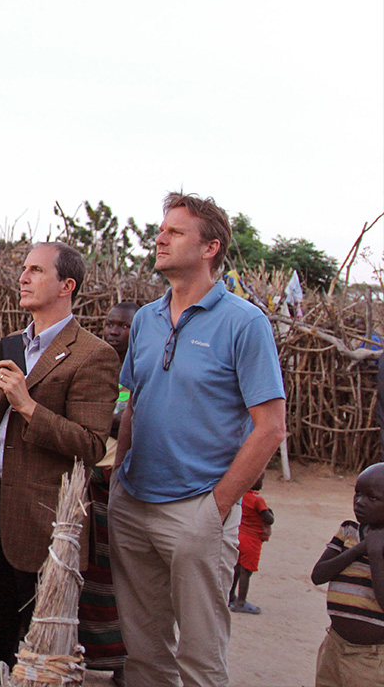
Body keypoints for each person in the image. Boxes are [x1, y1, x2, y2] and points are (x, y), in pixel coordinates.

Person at [110, 192, 287, 687]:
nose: (160, 237)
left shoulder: (244, 322)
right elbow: (133, 405)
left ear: (209, 248)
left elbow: (270, 426)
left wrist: (216, 509)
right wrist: (120, 481)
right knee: (144, 656)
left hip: (196, 511)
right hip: (134, 502)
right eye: (161, 228)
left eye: (175, 231)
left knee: (201, 660)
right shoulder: (145, 319)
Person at [0, 242, 120, 687]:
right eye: (24, 269)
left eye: (36, 270)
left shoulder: (92, 354)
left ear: (66, 286)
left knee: (36, 654)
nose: (24, 277)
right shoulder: (15, 343)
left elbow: (92, 444)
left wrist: (28, 406)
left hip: (47, 525)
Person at [80, 300, 139, 686]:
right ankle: (81, 653)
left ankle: (120, 663)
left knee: (118, 578)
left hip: (122, 484)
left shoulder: (143, 373)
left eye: (124, 326)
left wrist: (117, 421)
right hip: (89, 480)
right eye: (110, 324)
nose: (114, 331)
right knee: (84, 575)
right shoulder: (94, 367)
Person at [310, 461, 384, 685]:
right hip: (333, 645)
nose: (360, 502)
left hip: (371, 658)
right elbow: (318, 575)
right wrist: (359, 549)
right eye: (357, 493)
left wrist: (376, 553)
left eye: (372, 498)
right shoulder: (347, 531)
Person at [228, 471, 274, 614]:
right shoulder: (257, 500)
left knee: (236, 569)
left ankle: (230, 597)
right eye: (260, 479)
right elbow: (268, 519)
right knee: (246, 572)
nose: (261, 483)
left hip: (239, 536)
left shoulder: (241, 496)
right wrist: (270, 512)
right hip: (252, 540)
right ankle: (241, 602)